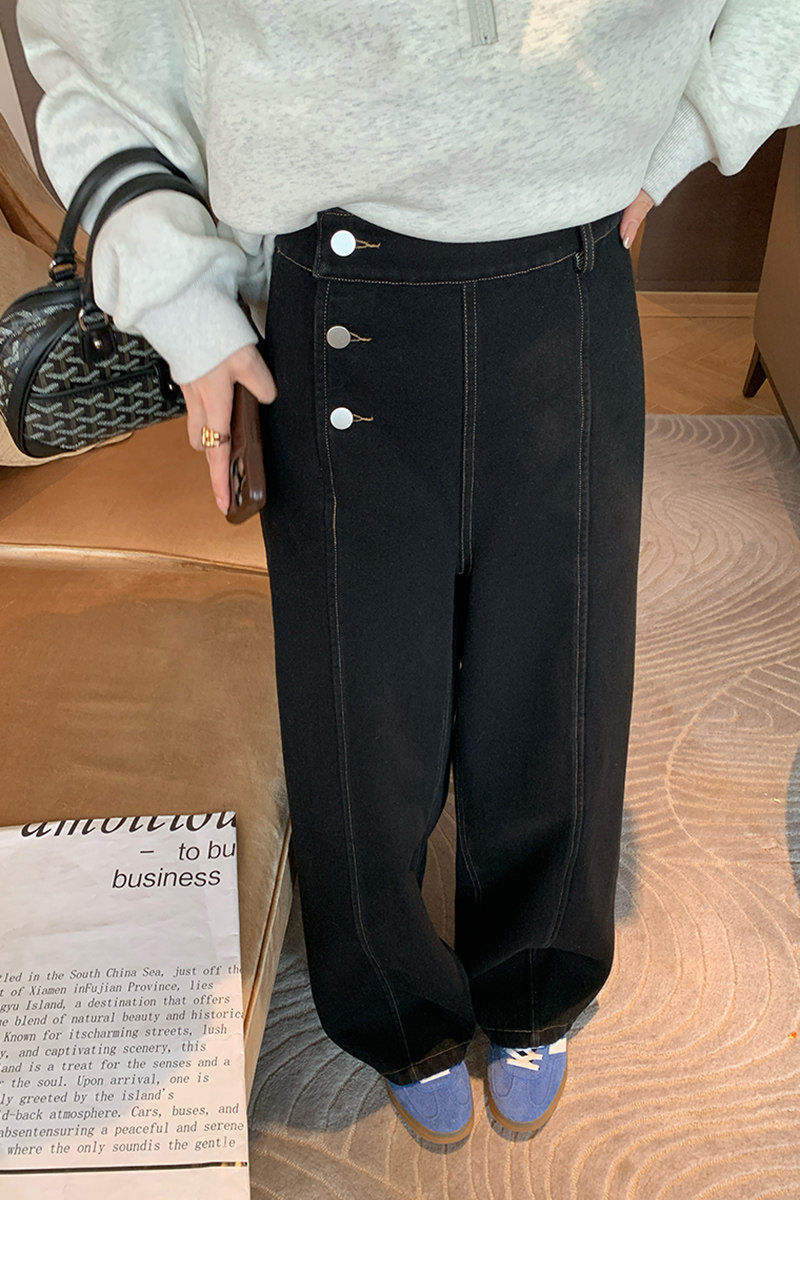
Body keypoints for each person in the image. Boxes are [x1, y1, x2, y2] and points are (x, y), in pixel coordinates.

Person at [18, 1, 800, 1145]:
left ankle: (537, 977)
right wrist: (180, 292)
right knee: (358, 705)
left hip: (571, 264)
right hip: (334, 287)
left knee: (561, 675)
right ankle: (391, 1005)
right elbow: (94, 41)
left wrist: (687, 130)